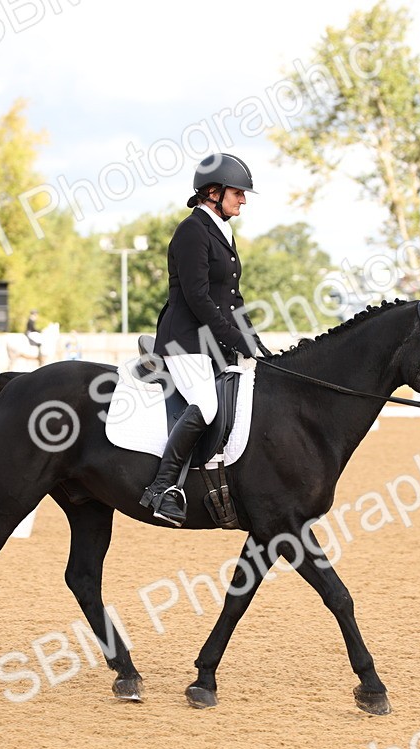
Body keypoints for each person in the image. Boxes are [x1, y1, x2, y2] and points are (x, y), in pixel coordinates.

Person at [140, 153, 263, 526]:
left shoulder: (223, 232)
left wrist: (254, 341)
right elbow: (198, 298)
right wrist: (234, 340)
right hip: (184, 340)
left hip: (211, 340)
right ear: (213, 192)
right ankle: (163, 489)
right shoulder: (192, 231)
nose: (243, 199)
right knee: (207, 405)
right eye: (238, 192)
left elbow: (232, 298)